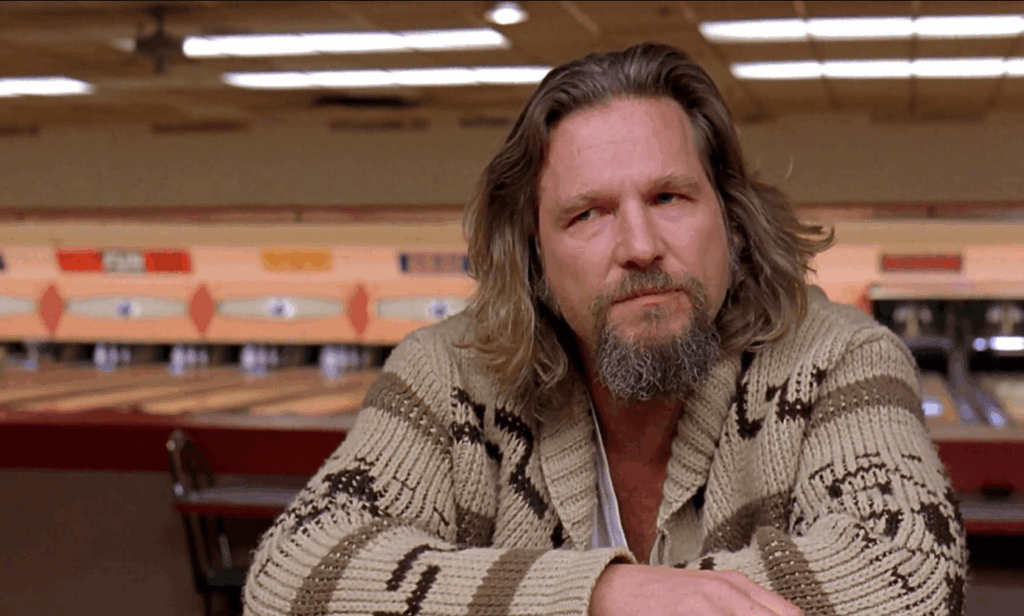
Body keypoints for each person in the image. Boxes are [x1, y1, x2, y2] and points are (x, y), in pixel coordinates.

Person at [243, 43, 966, 616]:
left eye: (670, 196)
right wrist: (601, 594)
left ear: (733, 224)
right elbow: (290, 576)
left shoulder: (838, 359)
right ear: (534, 258)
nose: (640, 245)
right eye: (588, 214)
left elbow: (907, 568)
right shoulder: (446, 374)